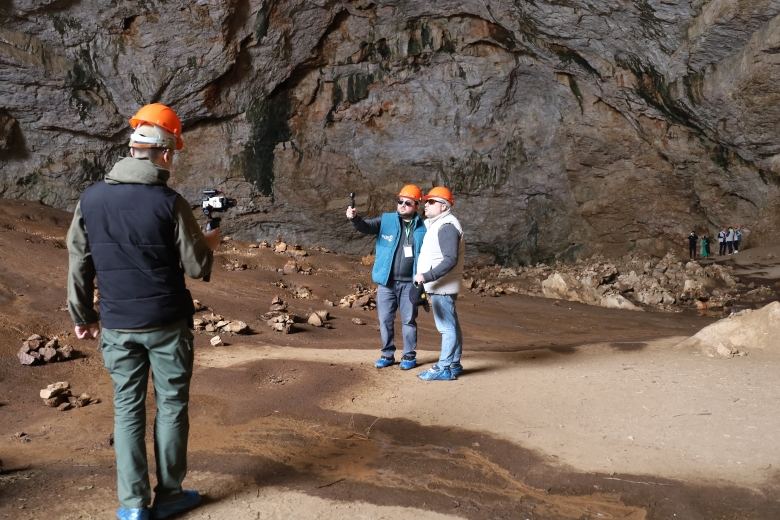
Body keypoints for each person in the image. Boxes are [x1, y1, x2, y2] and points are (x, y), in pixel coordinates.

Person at [66, 103, 220, 520]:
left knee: (127, 408)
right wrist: (212, 238)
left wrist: (83, 316)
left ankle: (133, 506)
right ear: (166, 154)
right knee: (170, 405)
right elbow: (197, 267)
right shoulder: (170, 202)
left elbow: (79, 261)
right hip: (168, 324)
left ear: (132, 147)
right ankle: (169, 495)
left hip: (117, 325)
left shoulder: (91, 198)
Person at [346, 185, 426, 370]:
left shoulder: (423, 227)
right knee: (385, 320)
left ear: (416, 206)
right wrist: (355, 218)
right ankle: (387, 354)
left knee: (408, 321)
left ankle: (409, 356)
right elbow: (366, 227)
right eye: (400, 201)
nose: (403, 205)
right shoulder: (387, 220)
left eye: (408, 203)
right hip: (387, 283)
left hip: (410, 284)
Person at [414, 186, 465, 381]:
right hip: (440, 285)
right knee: (452, 325)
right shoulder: (439, 223)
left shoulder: (447, 226)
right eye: (426, 201)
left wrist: (427, 276)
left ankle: (444, 367)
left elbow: (450, 259)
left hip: (441, 286)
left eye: (431, 201)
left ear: (444, 206)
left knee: (446, 328)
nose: (426, 204)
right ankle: (453, 364)